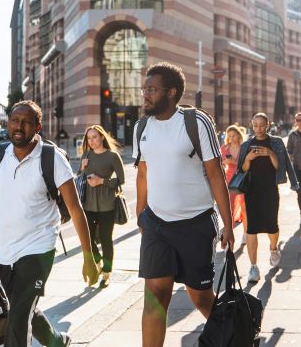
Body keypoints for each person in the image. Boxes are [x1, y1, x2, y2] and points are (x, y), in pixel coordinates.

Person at [0, 100, 99, 347]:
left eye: (26, 121)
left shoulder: (52, 158)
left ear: (38, 127)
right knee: (24, 306)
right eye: (14, 120)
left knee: (18, 316)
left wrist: (89, 257)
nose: (19, 126)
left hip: (38, 249)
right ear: (8, 123)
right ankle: (56, 341)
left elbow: (75, 209)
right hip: (5, 252)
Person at [133, 62, 234, 347]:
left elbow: (216, 173)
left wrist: (228, 223)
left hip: (195, 225)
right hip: (156, 225)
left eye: (151, 89)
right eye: (144, 89)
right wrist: (141, 214)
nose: (145, 95)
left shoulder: (195, 122)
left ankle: (233, 338)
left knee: (200, 296)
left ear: (171, 92)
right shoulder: (142, 126)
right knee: (155, 297)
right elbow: (143, 172)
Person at [238, 112, 299, 283]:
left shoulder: (276, 142)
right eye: (255, 125)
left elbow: (282, 164)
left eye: (262, 125)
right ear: (252, 125)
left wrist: (269, 153)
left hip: (270, 190)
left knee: (272, 226)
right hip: (252, 191)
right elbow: (241, 170)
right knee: (251, 228)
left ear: (268, 125)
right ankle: (253, 267)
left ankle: (273, 249)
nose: (258, 128)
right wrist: (249, 159)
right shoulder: (246, 145)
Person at [79, 124, 125, 287]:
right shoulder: (85, 155)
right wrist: (82, 168)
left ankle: (106, 273)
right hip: (88, 204)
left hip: (107, 204)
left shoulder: (112, 156)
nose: (91, 141)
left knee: (106, 239)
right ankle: (97, 263)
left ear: (102, 137)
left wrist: (102, 181)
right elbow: (80, 179)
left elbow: (121, 180)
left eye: (94, 137)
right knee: (89, 239)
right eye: (88, 138)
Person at [221, 124, 247, 245]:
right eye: (229, 136)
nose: (232, 138)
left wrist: (234, 161)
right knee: (229, 207)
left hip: (242, 178)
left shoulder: (244, 148)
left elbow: (247, 164)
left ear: (238, 135)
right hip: (230, 179)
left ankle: (246, 233)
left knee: (244, 206)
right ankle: (229, 233)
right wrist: (225, 162)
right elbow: (221, 164)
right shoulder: (224, 148)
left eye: (234, 135)